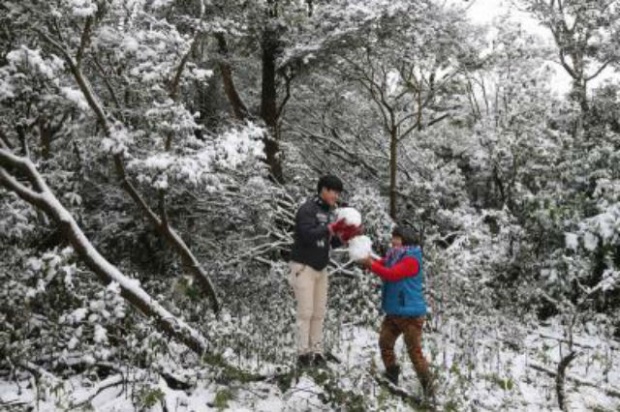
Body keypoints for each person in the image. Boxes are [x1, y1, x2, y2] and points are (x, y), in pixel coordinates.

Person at [289, 175, 360, 368]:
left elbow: (328, 241)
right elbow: (306, 235)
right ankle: (302, 354)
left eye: (338, 193)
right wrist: (330, 228)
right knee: (306, 312)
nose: (336, 196)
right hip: (303, 266)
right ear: (323, 189)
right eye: (333, 191)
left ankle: (317, 352)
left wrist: (344, 236)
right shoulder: (307, 209)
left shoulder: (331, 212)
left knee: (319, 312)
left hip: (322, 267)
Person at [360, 226, 434, 397]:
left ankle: (429, 391)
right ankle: (392, 374)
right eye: (393, 237)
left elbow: (391, 274)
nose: (393, 241)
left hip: (411, 316)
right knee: (385, 343)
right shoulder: (395, 255)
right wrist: (368, 260)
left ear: (406, 240)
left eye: (397, 238)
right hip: (394, 313)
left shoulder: (411, 259)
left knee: (414, 353)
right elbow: (382, 263)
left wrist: (371, 264)